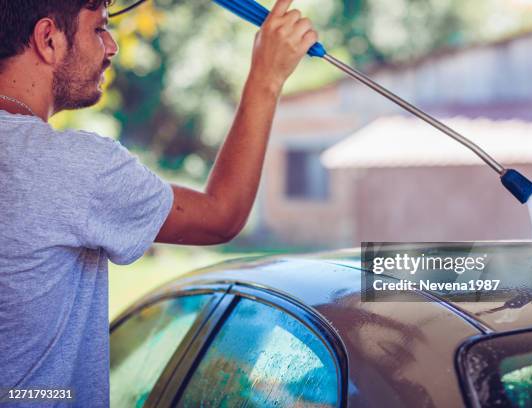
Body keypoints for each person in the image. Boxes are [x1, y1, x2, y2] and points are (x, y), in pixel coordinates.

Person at [0, 0, 318, 406]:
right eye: (98, 29)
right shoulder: (70, 164)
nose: (111, 46)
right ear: (48, 39)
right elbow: (221, 215)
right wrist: (267, 78)